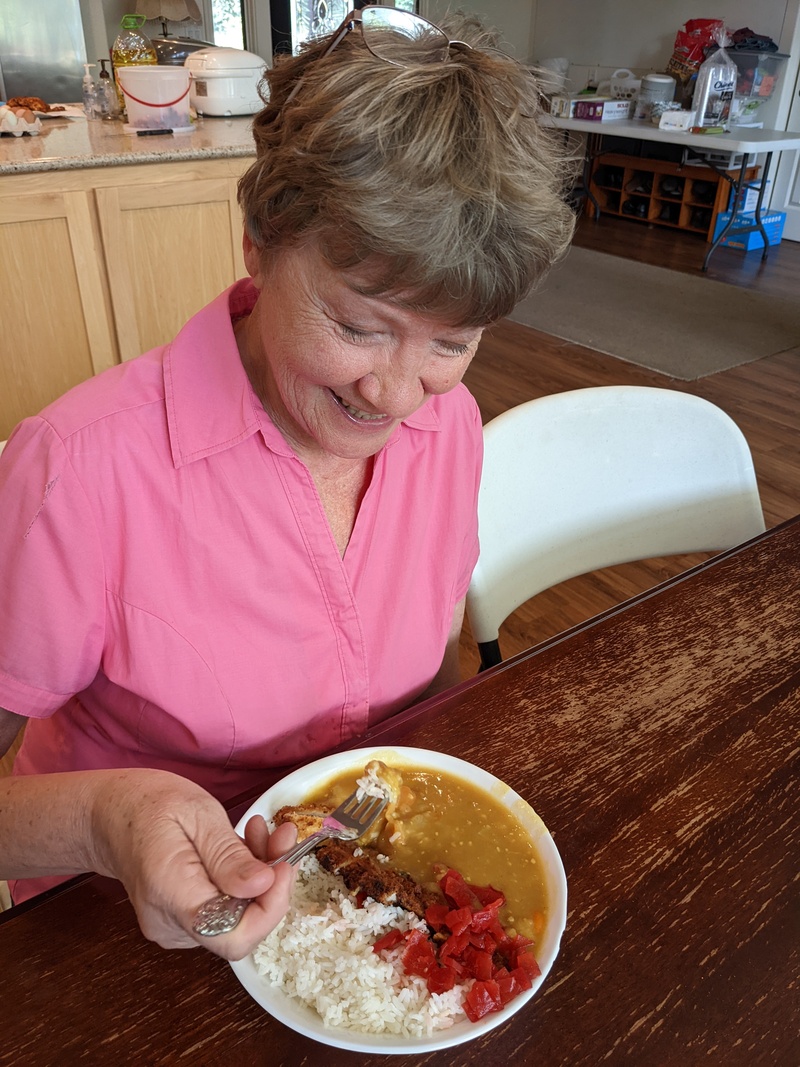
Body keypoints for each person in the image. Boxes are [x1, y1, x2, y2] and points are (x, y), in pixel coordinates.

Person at [0, 7, 574, 959]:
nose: (396, 393)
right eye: (357, 326)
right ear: (260, 245)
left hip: (349, 903)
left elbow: (420, 679)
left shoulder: (451, 426)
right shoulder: (82, 466)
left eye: (454, 341)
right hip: (112, 932)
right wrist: (104, 818)